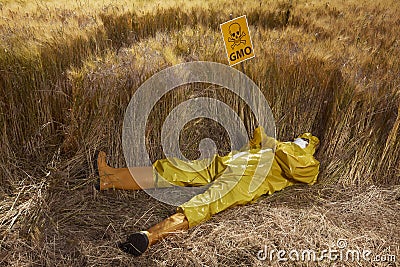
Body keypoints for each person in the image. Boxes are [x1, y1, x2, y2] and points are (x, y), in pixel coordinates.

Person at [94, 127, 320, 256]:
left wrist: (274, 144)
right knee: (174, 168)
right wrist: (260, 142)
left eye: (305, 139)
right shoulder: (279, 144)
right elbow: (252, 144)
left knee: (205, 203)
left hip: (245, 182)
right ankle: (110, 178)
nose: (301, 139)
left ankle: (148, 237)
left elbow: (302, 172)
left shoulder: (307, 159)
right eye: (301, 137)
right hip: (226, 163)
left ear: (310, 144)